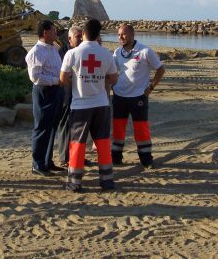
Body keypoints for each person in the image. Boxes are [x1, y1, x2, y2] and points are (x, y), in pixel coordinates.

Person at [60, 18, 118, 192]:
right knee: (103, 143)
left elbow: (63, 78)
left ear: (83, 33)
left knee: (77, 144)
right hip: (101, 104)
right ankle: (107, 181)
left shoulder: (72, 53)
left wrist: (78, 79)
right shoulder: (106, 53)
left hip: (80, 106)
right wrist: (99, 79)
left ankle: (75, 182)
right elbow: (114, 78)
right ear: (98, 34)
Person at [111, 23, 165, 168]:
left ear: (132, 34)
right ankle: (116, 158)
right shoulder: (116, 52)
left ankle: (146, 159)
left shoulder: (145, 51)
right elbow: (111, 71)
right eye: (118, 34)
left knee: (141, 130)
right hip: (119, 96)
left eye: (123, 34)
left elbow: (160, 69)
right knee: (117, 128)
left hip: (138, 97)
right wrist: (112, 86)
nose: (120, 37)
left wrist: (151, 87)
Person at [25, 20, 64, 176]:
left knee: (52, 127)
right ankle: (38, 164)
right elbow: (35, 77)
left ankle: (47, 161)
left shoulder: (53, 49)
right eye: (54, 30)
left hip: (56, 91)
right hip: (44, 92)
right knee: (41, 127)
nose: (56, 33)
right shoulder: (36, 52)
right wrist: (57, 81)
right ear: (45, 33)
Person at [56, 25, 83, 166]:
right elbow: (63, 75)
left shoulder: (82, 51)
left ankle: (77, 156)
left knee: (78, 128)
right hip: (67, 95)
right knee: (65, 125)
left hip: (81, 95)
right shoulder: (63, 52)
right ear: (69, 38)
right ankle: (64, 157)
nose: (80, 39)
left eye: (81, 36)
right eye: (78, 36)